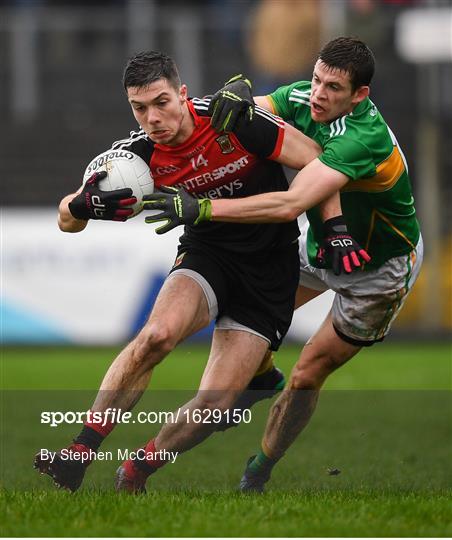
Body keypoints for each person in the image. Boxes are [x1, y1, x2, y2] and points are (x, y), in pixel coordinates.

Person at [34, 50, 364, 493]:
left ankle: (136, 469)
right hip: (207, 253)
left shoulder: (232, 119)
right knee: (156, 336)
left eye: (161, 102)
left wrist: (335, 228)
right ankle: (80, 452)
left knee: (216, 404)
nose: (152, 117)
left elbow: (317, 163)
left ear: (183, 94)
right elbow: (65, 218)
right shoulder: (135, 156)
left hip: (270, 267)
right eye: (139, 107)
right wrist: (79, 207)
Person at [143, 37, 423, 493]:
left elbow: (291, 202)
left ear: (360, 96)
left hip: (379, 269)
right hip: (324, 248)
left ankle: (259, 470)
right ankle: (259, 379)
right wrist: (230, 93)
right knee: (244, 308)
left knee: (309, 372)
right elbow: (250, 106)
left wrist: (203, 209)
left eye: (333, 88)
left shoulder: (362, 137)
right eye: (316, 79)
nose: (318, 94)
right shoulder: (303, 98)